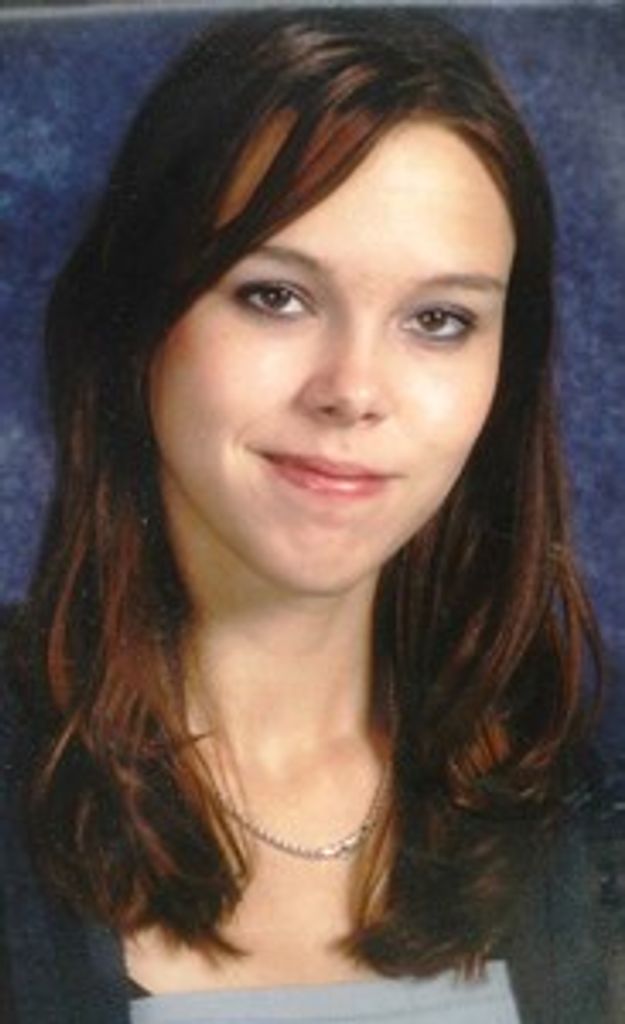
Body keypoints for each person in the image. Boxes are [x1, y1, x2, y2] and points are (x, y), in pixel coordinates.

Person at [0, 6, 616, 1023]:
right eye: (276, 296)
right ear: (139, 321)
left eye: (439, 319)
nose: (353, 391)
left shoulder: (590, 782)